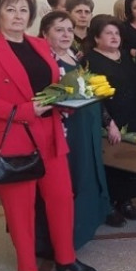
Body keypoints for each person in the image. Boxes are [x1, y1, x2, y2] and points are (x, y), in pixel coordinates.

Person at [0, 0, 95, 271]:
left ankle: (65, 258)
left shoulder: (38, 44)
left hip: (50, 133)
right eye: (10, 9)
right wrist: (23, 110)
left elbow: (52, 85)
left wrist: (66, 100)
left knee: (62, 198)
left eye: (24, 9)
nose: (18, 15)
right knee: (21, 210)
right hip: (13, 136)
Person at [38, 12, 112, 246]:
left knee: (86, 175)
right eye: (59, 30)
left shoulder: (73, 55)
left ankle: (83, 227)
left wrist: (106, 120)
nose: (66, 35)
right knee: (69, 181)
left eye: (69, 30)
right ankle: (63, 238)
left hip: (85, 127)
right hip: (65, 130)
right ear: (45, 34)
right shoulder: (45, 61)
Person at [82, 15, 136, 224]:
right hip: (108, 120)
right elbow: (92, 96)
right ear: (96, 37)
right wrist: (108, 123)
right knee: (110, 162)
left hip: (132, 115)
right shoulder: (90, 60)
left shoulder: (124, 55)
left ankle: (125, 201)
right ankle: (108, 205)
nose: (114, 37)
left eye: (117, 33)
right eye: (108, 33)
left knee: (128, 159)